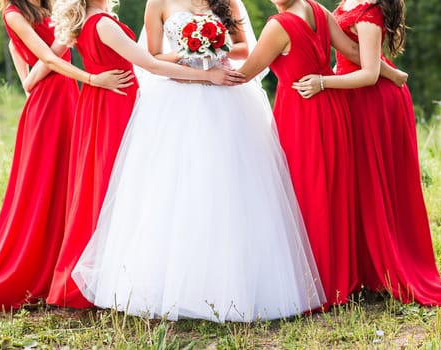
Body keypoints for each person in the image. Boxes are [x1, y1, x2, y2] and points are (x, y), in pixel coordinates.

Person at [70, 0, 326, 322]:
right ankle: (171, 285)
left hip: (227, 98)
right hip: (176, 99)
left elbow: (246, 47)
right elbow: (153, 58)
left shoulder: (227, 1)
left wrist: (217, 49)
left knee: (229, 186)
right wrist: (191, 54)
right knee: (173, 189)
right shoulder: (157, 3)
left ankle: (232, 285)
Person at [39, 0, 244, 308]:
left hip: (100, 101)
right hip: (116, 101)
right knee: (119, 186)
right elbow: (151, 63)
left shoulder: (90, 21)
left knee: (105, 185)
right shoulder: (104, 24)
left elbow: (52, 57)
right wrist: (205, 72)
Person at [0, 0, 127, 311]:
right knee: (43, 186)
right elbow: (47, 56)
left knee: (69, 184)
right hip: (48, 107)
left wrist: (30, 76)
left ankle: (66, 265)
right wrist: (91, 79)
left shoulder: (51, 7)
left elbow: (25, 54)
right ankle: (36, 266)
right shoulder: (14, 13)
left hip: (69, 100)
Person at [233, 0, 406, 310]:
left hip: (301, 111)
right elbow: (355, 54)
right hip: (332, 108)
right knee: (336, 193)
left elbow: (244, 74)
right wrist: (391, 75)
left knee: (306, 193)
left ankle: (318, 282)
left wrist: (197, 71)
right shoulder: (319, 10)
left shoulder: (277, 25)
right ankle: (344, 280)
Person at [297, 0, 441, 305]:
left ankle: (384, 271)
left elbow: (369, 72)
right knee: (357, 185)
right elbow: (353, 53)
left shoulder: (369, 13)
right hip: (353, 98)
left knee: (374, 187)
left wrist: (323, 82)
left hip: (373, 102)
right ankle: (366, 270)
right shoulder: (347, 3)